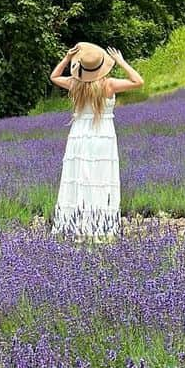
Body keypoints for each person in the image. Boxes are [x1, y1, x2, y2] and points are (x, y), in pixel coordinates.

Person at [48, 42, 144, 240]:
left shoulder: (75, 84)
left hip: (79, 134)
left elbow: (54, 77)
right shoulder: (108, 85)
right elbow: (138, 81)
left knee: (78, 176)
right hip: (102, 134)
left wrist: (66, 58)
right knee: (100, 177)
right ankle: (99, 224)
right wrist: (122, 62)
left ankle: (75, 223)